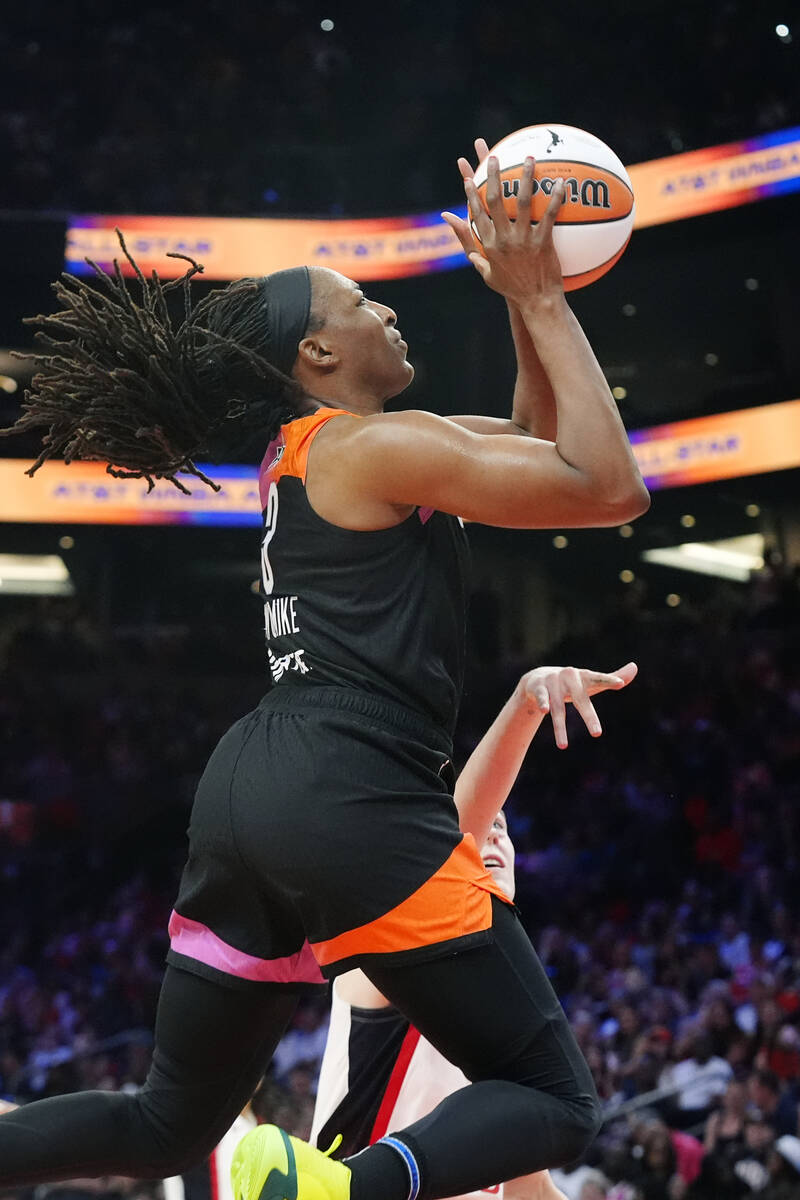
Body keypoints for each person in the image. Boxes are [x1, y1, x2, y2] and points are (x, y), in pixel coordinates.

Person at [0, 143, 649, 1200]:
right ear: (315, 350)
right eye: (359, 301)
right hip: (346, 787)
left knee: (167, 1121)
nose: (386, 308)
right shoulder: (360, 449)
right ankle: (342, 1191)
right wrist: (541, 298)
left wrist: (528, 305)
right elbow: (606, 486)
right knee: (550, 1095)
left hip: (252, 789)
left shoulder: (325, 453)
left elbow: (541, 447)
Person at [310, 662, 638, 1200]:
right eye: (490, 824)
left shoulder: (517, 1020)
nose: (493, 837)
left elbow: (529, 1188)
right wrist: (525, 705)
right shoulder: (395, 949)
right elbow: (457, 836)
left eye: (504, 831)